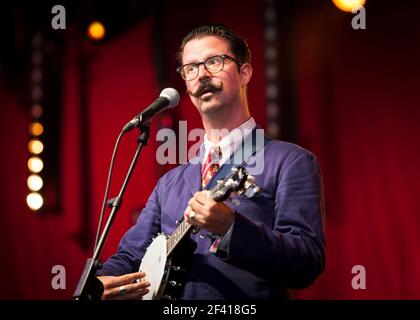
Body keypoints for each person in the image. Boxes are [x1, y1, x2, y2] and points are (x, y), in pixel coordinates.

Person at [96, 23, 326, 300]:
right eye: (190, 68)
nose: (202, 74)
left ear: (245, 73)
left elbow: (307, 262)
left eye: (214, 62)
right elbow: (131, 256)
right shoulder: (169, 183)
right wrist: (98, 286)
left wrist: (232, 228)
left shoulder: (290, 161)